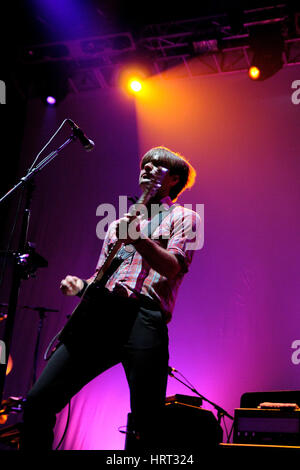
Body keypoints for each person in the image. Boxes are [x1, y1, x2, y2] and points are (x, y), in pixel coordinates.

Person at [20, 146, 200, 451]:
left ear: (175, 180)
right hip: (103, 315)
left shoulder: (187, 217)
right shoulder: (118, 224)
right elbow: (101, 276)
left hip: (144, 317)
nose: (148, 168)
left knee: (148, 423)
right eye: (145, 164)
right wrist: (82, 285)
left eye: (159, 165)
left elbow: (172, 267)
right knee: (38, 402)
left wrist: (139, 238)